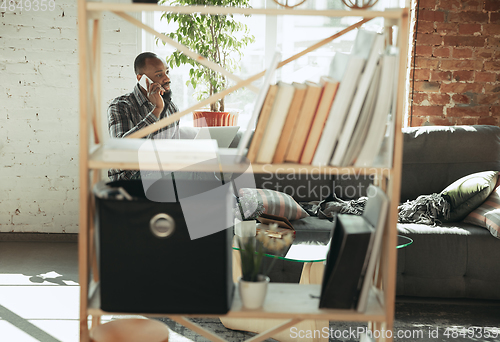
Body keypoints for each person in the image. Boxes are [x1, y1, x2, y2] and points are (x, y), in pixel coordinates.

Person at [108, 52, 180, 181]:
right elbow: (122, 149)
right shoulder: (121, 106)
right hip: (131, 179)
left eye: (167, 72)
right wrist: (156, 111)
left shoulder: (172, 108)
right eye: (159, 74)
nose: (167, 79)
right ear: (142, 79)